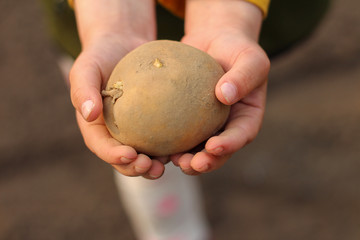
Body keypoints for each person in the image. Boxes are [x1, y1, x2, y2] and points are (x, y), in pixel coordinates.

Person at [40, 0, 330, 239]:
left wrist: (227, 13)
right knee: (138, 163)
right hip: (97, 16)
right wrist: (110, 17)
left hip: (231, 15)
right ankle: (173, 230)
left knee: (239, 79)